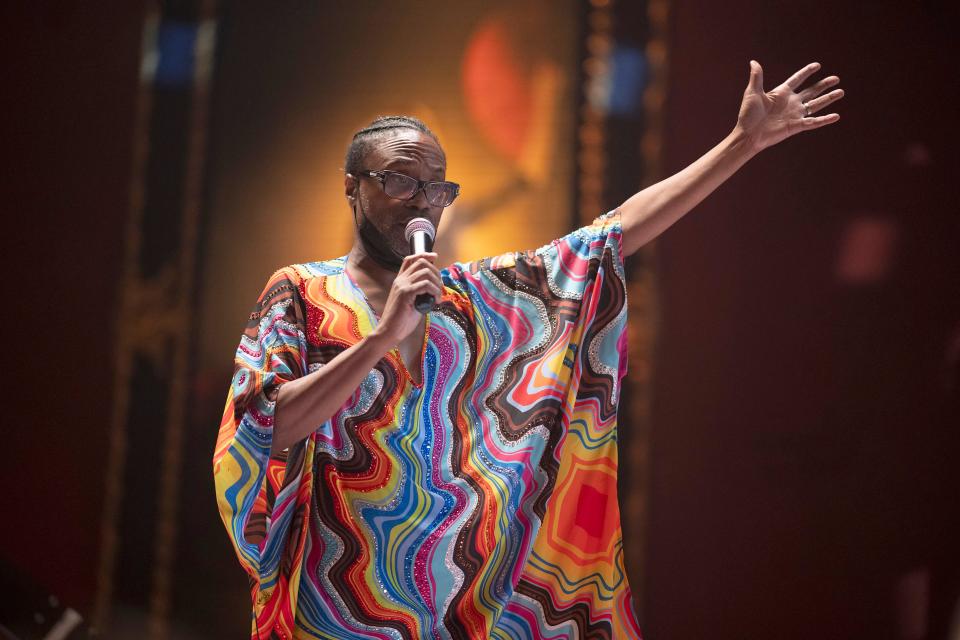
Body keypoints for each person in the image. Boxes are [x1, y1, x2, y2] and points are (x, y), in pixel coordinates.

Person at [213, 60, 843, 639]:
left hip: (467, 606)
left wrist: (742, 145)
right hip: (336, 605)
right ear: (352, 187)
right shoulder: (301, 291)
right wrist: (380, 336)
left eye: (437, 187)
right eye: (402, 180)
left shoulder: (473, 300)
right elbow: (265, 428)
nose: (423, 201)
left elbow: (611, 236)